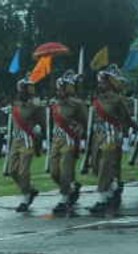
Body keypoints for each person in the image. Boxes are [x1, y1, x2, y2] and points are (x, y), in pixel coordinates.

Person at [88, 66, 138, 216]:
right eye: (100, 82)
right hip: (98, 135)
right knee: (96, 165)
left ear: (110, 83)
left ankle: (102, 198)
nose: (100, 85)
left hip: (112, 135)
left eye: (103, 82)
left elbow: (125, 118)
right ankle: (113, 187)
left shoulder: (117, 99)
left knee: (104, 166)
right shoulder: (96, 99)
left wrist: (133, 132)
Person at [49, 72, 89, 215]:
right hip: (56, 139)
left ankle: (65, 197)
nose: (59, 91)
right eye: (58, 88)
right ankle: (71, 188)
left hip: (70, 139)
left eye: (62, 88)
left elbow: (85, 122)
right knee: (54, 171)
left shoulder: (77, 104)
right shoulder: (54, 104)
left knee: (66, 170)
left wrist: (81, 133)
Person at [9, 77, 47, 213]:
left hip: (28, 140)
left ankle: (26, 197)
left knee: (23, 171)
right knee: (12, 171)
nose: (21, 93)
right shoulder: (16, 105)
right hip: (16, 140)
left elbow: (43, 124)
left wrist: (40, 135)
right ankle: (29, 189)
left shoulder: (36, 107)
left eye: (24, 90)